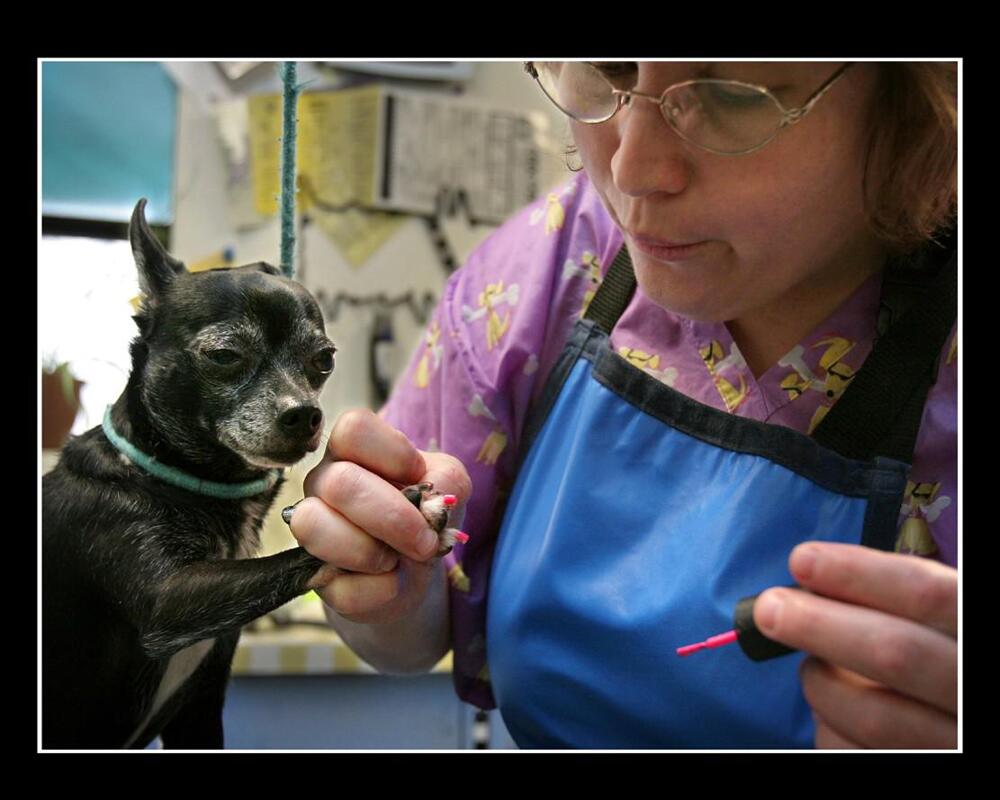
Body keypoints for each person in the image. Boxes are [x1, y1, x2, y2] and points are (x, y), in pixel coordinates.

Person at [289, 61, 957, 749]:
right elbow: (407, 639)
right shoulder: (549, 268)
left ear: (919, 106)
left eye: (727, 94)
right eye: (605, 69)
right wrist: (388, 586)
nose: (633, 170)